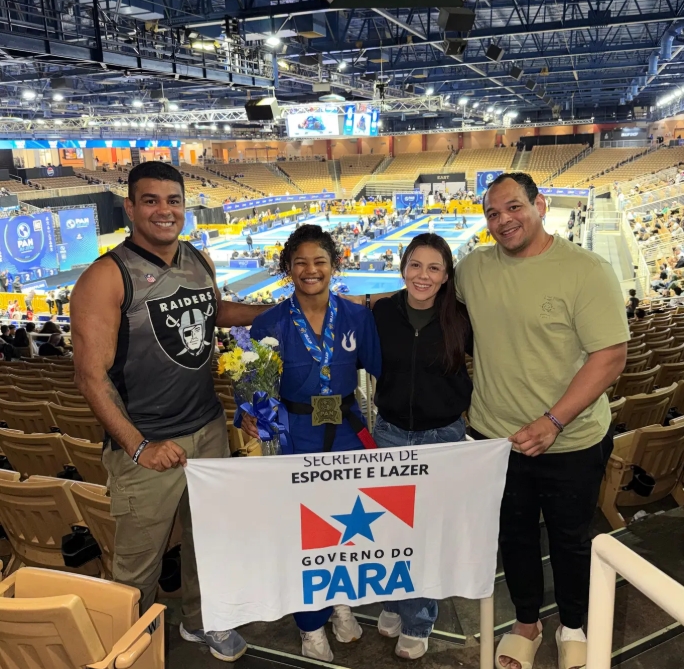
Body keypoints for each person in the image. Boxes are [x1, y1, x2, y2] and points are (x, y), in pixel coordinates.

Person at [70, 161, 270, 662]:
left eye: (173, 200)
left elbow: (214, 311)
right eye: (151, 200)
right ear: (130, 207)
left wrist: (279, 313)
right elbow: (90, 377)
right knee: (138, 567)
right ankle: (128, 652)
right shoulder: (106, 277)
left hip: (207, 429)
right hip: (148, 444)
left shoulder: (196, 258)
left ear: (185, 206)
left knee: (210, 541)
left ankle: (202, 622)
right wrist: (139, 447)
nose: (165, 210)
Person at [457, 173, 628, 669]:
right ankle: (527, 623)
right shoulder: (473, 269)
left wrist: (553, 421)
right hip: (497, 439)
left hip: (570, 440)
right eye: (493, 213)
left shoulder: (585, 270)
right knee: (514, 538)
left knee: (570, 539)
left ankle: (572, 624)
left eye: (514, 207)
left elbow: (611, 356)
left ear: (541, 205)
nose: (503, 220)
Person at [242, 224, 381, 663]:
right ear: (288, 268)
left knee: (348, 527)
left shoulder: (357, 318)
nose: (310, 269)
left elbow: (383, 373)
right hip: (296, 436)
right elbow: (253, 387)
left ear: (334, 265)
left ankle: (341, 602)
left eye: (319, 261)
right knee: (305, 533)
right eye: (300, 262)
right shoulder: (269, 323)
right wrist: (249, 411)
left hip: (347, 434)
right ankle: (309, 623)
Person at [371, 233, 472, 659]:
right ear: (403, 268)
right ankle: (395, 600)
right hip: (390, 433)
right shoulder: (383, 312)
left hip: (441, 437)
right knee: (390, 528)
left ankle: (419, 618)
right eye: (415, 265)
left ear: (446, 275)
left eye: (434, 268)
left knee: (426, 533)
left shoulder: (462, 318)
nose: (423, 275)